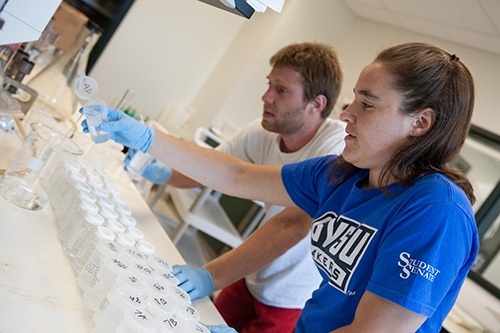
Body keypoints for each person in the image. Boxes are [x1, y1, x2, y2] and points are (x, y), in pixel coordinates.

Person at [83, 41, 479, 332]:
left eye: (367, 104)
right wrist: (148, 138)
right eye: (352, 100)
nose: (346, 115)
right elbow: (238, 176)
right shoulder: (343, 174)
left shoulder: (436, 212)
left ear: (420, 123)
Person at [125, 42, 346, 333]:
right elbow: (209, 171)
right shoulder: (264, 131)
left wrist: (211, 275)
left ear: (316, 104)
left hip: (291, 298)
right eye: (269, 84)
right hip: (252, 270)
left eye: (281, 90)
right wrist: (161, 170)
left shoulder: (337, 147)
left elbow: (293, 224)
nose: (266, 96)